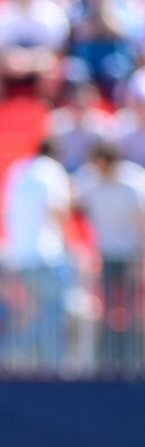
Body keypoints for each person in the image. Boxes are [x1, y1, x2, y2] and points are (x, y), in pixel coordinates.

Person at [0, 140, 73, 372]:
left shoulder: (18, 170)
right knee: (55, 313)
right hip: (48, 256)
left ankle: (32, 358)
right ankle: (23, 351)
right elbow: (57, 211)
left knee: (37, 311)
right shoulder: (52, 170)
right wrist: (69, 244)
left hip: (21, 255)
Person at [73, 143, 145, 374]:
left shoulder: (134, 182)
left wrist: (141, 259)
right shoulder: (90, 181)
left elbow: (142, 223)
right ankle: (106, 365)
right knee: (105, 314)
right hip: (105, 256)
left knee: (132, 314)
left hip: (131, 256)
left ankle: (133, 364)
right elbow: (71, 207)